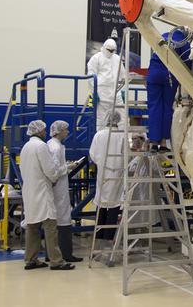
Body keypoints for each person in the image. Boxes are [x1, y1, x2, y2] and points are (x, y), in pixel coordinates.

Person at [20, 120, 74, 271]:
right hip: (42, 191)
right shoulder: (41, 146)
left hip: (29, 191)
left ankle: (30, 260)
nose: (46, 132)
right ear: (39, 131)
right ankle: (56, 261)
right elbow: (50, 170)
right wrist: (59, 175)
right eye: (44, 130)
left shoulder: (26, 147)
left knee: (32, 226)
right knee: (50, 227)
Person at [147, 29, 191, 152]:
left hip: (154, 74)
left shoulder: (163, 35)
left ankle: (153, 142)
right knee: (166, 108)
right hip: (169, 77)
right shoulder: (183, 42)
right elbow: (185, 63)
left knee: (154, 107)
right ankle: (163, 143)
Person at [47, 121, 83, 262]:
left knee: (57, 219)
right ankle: (65, 254)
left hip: (57, 187)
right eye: (66, 130)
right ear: (59, 131)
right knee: (63, 220)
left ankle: (53, 254)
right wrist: (69, 167)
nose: (68, 132)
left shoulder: (52, 144)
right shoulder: (56, 147)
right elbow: (55, 170)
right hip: (58, 188)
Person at [89, 111, 124, 242]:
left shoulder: (99, 135)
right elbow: (127, 154)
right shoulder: (122, 135)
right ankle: (109, 235)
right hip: (117, 172)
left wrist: (102, 162)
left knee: (101, 201)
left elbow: (92, 154)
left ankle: (99, 234)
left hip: (103, 171)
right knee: (114, 203)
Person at [87, 38, 125, 130]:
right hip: (101, 93)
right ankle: (101, 137)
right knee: (101, 119)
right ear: (104, 47)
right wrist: (94, 92)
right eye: (109, 50)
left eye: (113, 50)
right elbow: (91, 77)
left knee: (122, 118)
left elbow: (122, 76)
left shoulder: (117, 59)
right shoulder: (96, 58)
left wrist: (123, 91)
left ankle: (122, 137)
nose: (111, 52)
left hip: (116, 92)